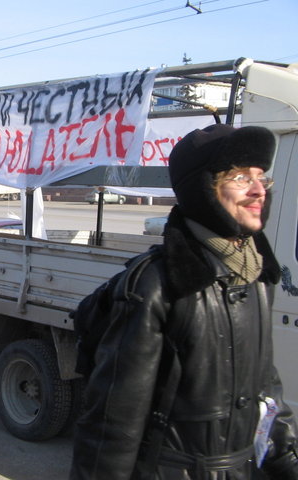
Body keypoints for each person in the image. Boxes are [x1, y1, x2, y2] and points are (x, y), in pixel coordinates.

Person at [70, 124, 298, 479]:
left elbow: (266, 387)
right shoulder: (158, 284)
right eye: (240, 177)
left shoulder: (257, 274)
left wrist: (286, 457)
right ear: (204, 188)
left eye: (261, 177)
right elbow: (114, 422)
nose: (258, 191)